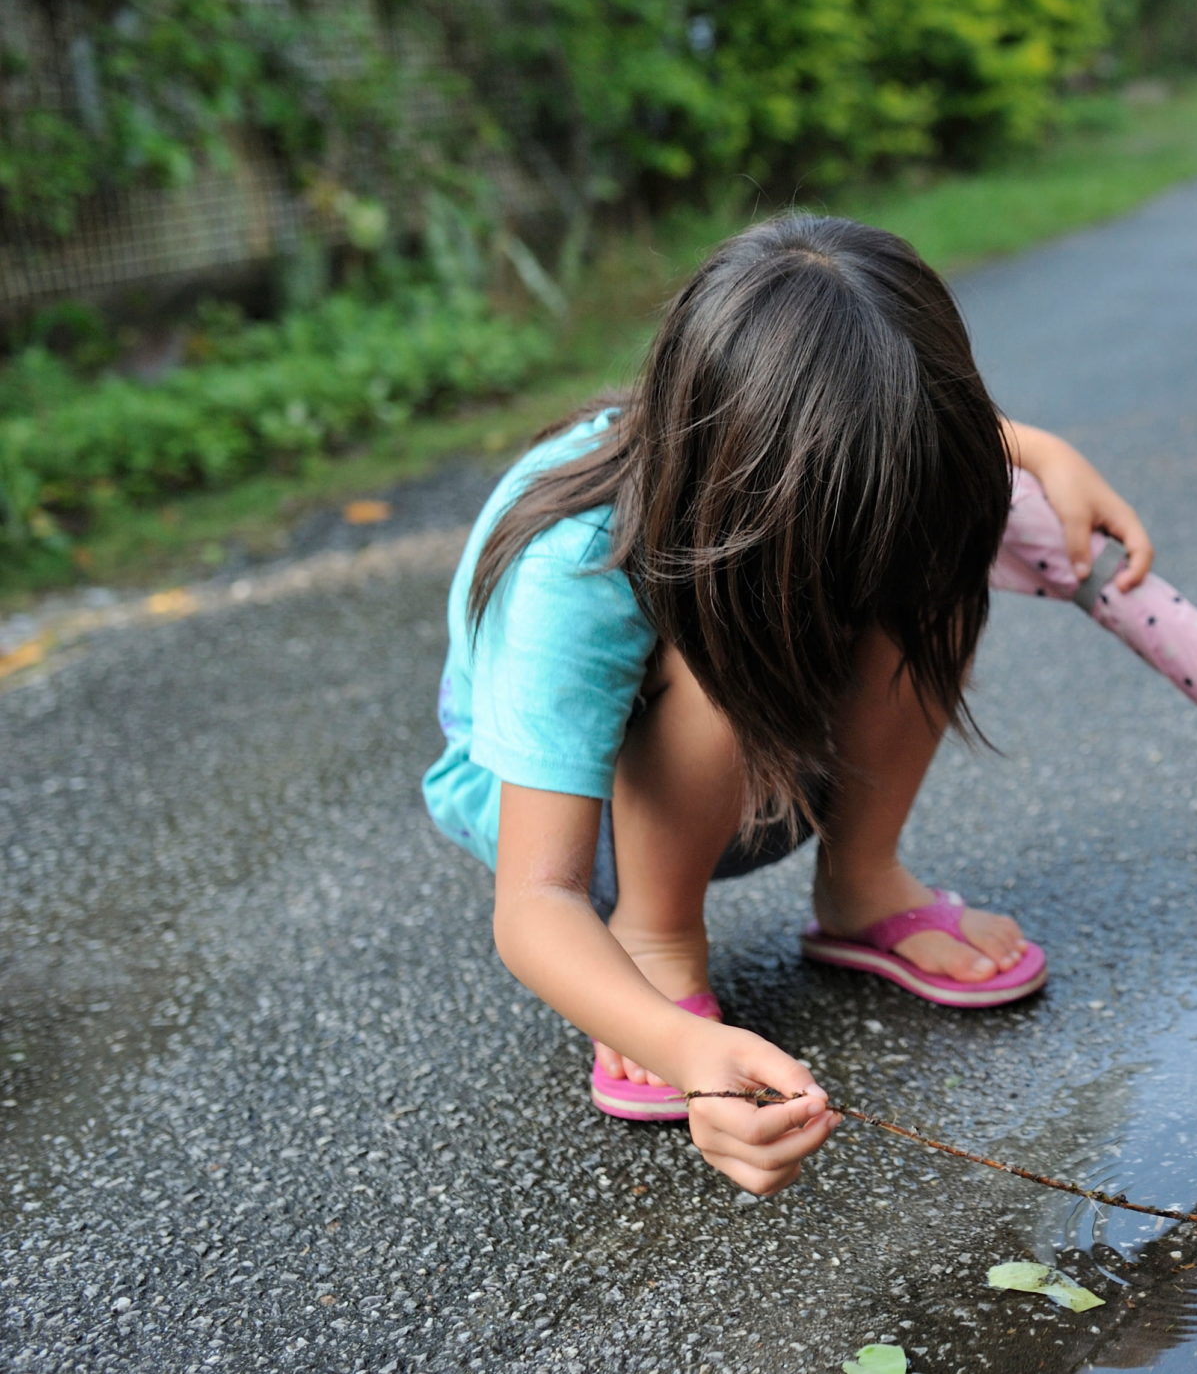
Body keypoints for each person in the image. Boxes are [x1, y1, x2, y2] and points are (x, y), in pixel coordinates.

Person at [421, 213, 1152, 1196]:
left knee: (933, 556)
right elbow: (535, 899)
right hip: (573, 818)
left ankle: (862, 883)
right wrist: (677, 1046)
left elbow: (901, 429)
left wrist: (1034, 450)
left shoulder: (793, 454)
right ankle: (654, 940)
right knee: (722, 641)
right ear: (749, 485)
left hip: (768, 750)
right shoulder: (575, 563)